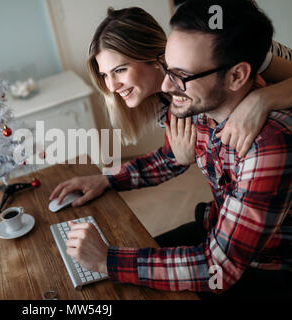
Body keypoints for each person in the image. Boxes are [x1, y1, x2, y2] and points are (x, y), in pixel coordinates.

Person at [51, 0, 291, 299]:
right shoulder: (201, 101)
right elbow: (171, 157)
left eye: (178, 74)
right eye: (168, 69)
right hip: (214, 227)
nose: (165, 86)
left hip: (264, 268)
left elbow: (217, 266)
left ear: (236, 76)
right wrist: (108, 179)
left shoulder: (265, 141)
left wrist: (107, 261)